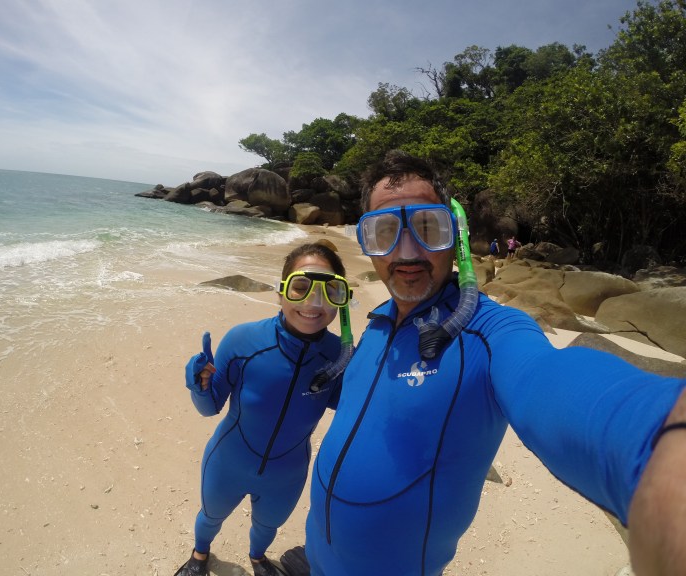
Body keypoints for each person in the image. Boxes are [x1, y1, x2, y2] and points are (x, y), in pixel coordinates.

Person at [293, 151, 686, 576]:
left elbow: (544, 380)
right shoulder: (378, 322)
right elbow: (367, 403)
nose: (405, 252)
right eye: (384, 232)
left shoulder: (489, 331)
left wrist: (656, 446)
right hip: (319, 550)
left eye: (427, 227)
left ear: (455, 234)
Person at [175, 243, 352, 576]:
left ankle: (258, 558)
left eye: (329, 291)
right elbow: (209, 407)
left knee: (268, 526)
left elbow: (353, 411)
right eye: (301, 287)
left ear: (342, 300)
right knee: (211, 516)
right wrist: (199, 385)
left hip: (286, 474)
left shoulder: (340, 358)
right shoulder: (243, 341)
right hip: (228, 463)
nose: (314, 302)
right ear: (280, 292)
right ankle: (199, 554)